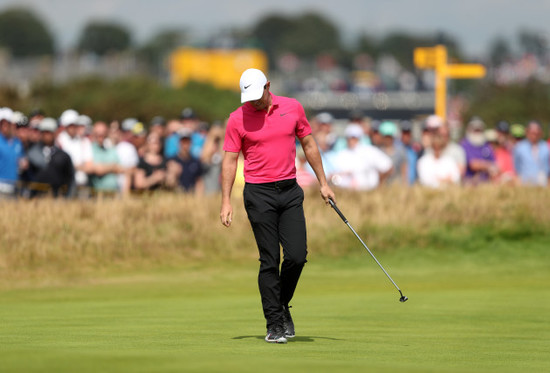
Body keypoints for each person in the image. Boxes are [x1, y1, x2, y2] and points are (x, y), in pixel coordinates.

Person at [220, 68, 336, 344]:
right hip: (258, 194)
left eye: (258, 96)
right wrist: (225, 200)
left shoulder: (293, 107)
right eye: (249, 97)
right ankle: (274, 324)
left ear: (268, 86)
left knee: (297, 255)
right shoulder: (237, 118)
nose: (254, 102)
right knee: (269, 259)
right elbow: (229, 160)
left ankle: (281, 304)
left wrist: (323, 183)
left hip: (290, 190)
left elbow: (308, 144)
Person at [331, 124, 393, 190]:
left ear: (359, 138)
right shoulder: (341, 154)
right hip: (346, 193)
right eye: (349, 137)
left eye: (354, 137)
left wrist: (379, 184)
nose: (351, 140)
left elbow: (388, 167)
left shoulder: (370, 151)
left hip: (369, 192)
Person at [26, 118, 74, 198]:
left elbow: (70, 178)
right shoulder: (31, 153)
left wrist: (67, 197)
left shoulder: (63, 156)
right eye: (44, 132)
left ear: (55, 133)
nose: (46, 135)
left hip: (56, 199)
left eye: (49, 132)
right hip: (35, 198)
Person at [56, 109, 94, 196]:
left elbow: (90, 167)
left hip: (82, 184)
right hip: (65, 185)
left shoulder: (84, 141)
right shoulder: (59, 141)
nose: (73, 128)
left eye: (75, 125)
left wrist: (74, 166)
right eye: (70, 125)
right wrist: (78, 166)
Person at [460, 117, 497, 184]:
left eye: (479, 130)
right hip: (469, 181)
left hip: (487, 181)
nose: (477, 132)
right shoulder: (465, 145)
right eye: (475, 130)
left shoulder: (486, 145)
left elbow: (494, 163)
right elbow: (473, 165)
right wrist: (488, 166)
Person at [167, 129, 204, 194]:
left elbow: (199, 182)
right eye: (183, 142)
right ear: (179, 143)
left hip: (191, 197)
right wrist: (173, 174)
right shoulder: (172, 160)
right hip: (176, 196)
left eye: (187, 142)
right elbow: (169, 184)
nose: (185, 144)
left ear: (191, 143)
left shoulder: (195, 161)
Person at [89, 121, 122, 195]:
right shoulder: (89, 149)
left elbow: (120, 169)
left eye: (103, 134)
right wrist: (112, 167)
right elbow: (98, 170)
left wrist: (104, 168)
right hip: (96, 195)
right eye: (98, 134)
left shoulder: (111, 149)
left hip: (113, 193)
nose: (101, 136)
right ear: (93, 134)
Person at [513, 121, 550, 186]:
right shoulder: (519, 147)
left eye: (536, 134)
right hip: (525, 184)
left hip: (543, 184)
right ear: (527, 132)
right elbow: (516, 167)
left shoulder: (546, 147)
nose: (534, 136)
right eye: (532, 133)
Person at [378, 121, 408, 185]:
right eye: (386, 137)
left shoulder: (400, 152)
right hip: (384, 188)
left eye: (389, 137)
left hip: (397, 187)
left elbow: (404, 172)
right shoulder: (378, 153)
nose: (388, 139)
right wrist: (386, 173)